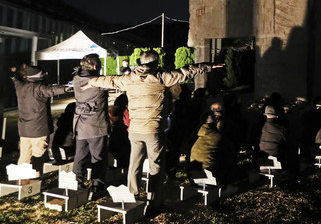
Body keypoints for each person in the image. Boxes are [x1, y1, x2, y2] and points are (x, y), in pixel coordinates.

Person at [82, 50, 219, 214]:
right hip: (153, 131)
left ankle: (132, 195)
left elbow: (110, 80)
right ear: (156, 62)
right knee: (156, 166)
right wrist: (209, 66)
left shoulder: (129, 79)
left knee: (134, 164)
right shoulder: (161, 77)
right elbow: (186, 71)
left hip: (134, 130)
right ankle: (154, 202)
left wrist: (92, 82)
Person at [12, 66, 72, 172]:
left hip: (24, 130)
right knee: (38, 157)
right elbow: (53, 90)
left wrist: (14, 76)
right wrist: (66, 88)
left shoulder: (20, 86)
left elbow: (16, 80)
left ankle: (21, 179)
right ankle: (36, 181)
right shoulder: (39, 88)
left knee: (24, 156)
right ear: (39, 76)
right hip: (38, 130)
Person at [72, 53, 110, 199]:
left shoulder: (76, 79)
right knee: (98, 157)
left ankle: (76, 183)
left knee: (80, 155)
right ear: (95, 67)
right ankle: (96, 186)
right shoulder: (98, 82)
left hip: (81, 124)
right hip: (96, 126)